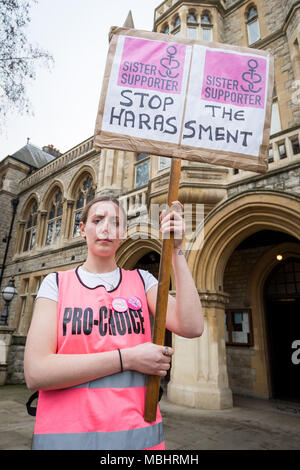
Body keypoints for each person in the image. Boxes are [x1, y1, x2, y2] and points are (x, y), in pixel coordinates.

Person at [24, 195, 204, 450]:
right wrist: (127, 358)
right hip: (66, 439)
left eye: (116, 222)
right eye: (97, 220)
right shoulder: (55, 284)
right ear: (82, 229)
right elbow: (36, 372)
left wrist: (176, 250)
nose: (106, 228)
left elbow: (192, 326)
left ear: (124, 233)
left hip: (138, 440)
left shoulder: (142, 281)